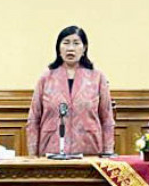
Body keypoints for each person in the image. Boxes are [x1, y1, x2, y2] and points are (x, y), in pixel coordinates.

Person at [26, 26, 115, 156]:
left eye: (76, 43)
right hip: (51, 151)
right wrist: (32, 155)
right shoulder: (46, 77)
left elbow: (107, 119)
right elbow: (34, 118)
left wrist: (108, 152)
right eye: (66, 43)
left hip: (89, 150)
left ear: (84, 48)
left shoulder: (97, 77)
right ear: (58, 48)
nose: (70, 48)